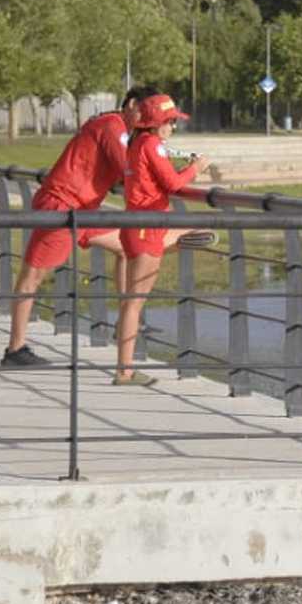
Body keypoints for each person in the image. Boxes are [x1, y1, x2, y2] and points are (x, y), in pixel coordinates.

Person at [0, 85, 157, 368]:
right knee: (33, 275)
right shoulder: (113, 126)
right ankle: (15, 349)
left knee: (126, 248)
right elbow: (128, 170)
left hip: (84, 211)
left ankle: (126, 320)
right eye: (145, 110)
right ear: (131, 104)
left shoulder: (116, 127)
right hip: (62, 208)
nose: (148, 118)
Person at [112, 93, 211, 386]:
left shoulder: (136, 143)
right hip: (147, 227)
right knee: (134, 303)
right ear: (157, 123)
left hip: (135, 226)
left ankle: (181, 239)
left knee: (133, 300)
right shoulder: (152, 145)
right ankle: (124, 372)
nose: (173, 127)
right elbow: (172, 184)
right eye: (170, 122)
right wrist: (197, 168)